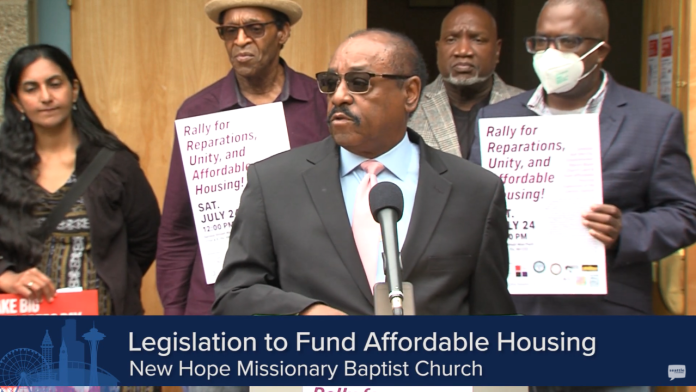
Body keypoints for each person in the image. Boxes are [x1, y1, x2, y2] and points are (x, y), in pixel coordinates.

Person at [212, 28, 515, 316]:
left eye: (359, 82)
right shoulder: (274, 183)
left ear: (410, 93)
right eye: (331, 82)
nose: (339, 96)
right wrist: (305, 313)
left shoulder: (475, 192)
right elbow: (234, 296)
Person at [156, 0, 330, 316]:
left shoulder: (322, 105)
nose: (240, 41)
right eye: (229, 31)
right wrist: (174, 312)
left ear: (283, 32)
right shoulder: (198, 112)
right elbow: (178, 227)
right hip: (215, 300)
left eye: (254, 28)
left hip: (304, 297)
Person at [0, 44, 160, 320]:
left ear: (73, 90)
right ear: (17, 102)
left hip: (105, 326)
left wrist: (115, 279)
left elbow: (147, 239)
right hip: (23, 327)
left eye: (54, 84)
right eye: (31, 88)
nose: (46, 96)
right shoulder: (4, 168)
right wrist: (7, 278)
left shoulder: (114, 163)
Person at [409, 2, 522, 159]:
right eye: (451, 40)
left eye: (477, 40)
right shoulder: (408, 109)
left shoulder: (529, 108)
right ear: (438, 49)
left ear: (497, 50)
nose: (463, 51)